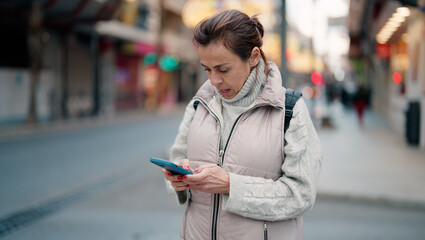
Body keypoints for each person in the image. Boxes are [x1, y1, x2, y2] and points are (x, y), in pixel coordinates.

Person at [162, 9, 322, 240]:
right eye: (207, 69)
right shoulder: (200, 104)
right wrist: (178, 179)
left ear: (254, 56)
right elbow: (178, 158)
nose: (214, 80)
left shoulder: (290, 109)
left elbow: (301, 195)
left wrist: (231, 185)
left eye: (223, 69)